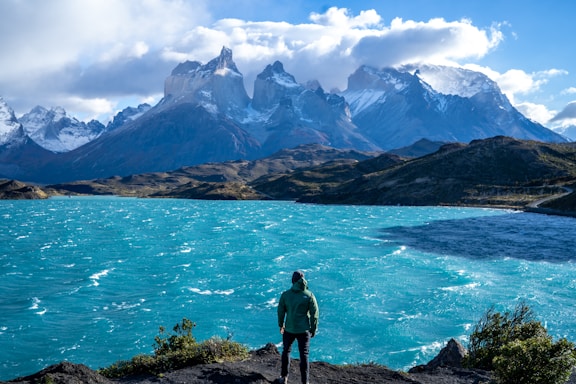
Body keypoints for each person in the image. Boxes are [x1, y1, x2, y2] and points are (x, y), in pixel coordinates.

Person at [277, 270, 319, 384]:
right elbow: (314, 315)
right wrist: (313, 329)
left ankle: (284, 377)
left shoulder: (286, 295)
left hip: (289, 329)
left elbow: (281, 312)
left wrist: (281, 325)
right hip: (304, 330)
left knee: (286, 351)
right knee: (304, 355)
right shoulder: (309, 295)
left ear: (293, 281)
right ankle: (305, 382)